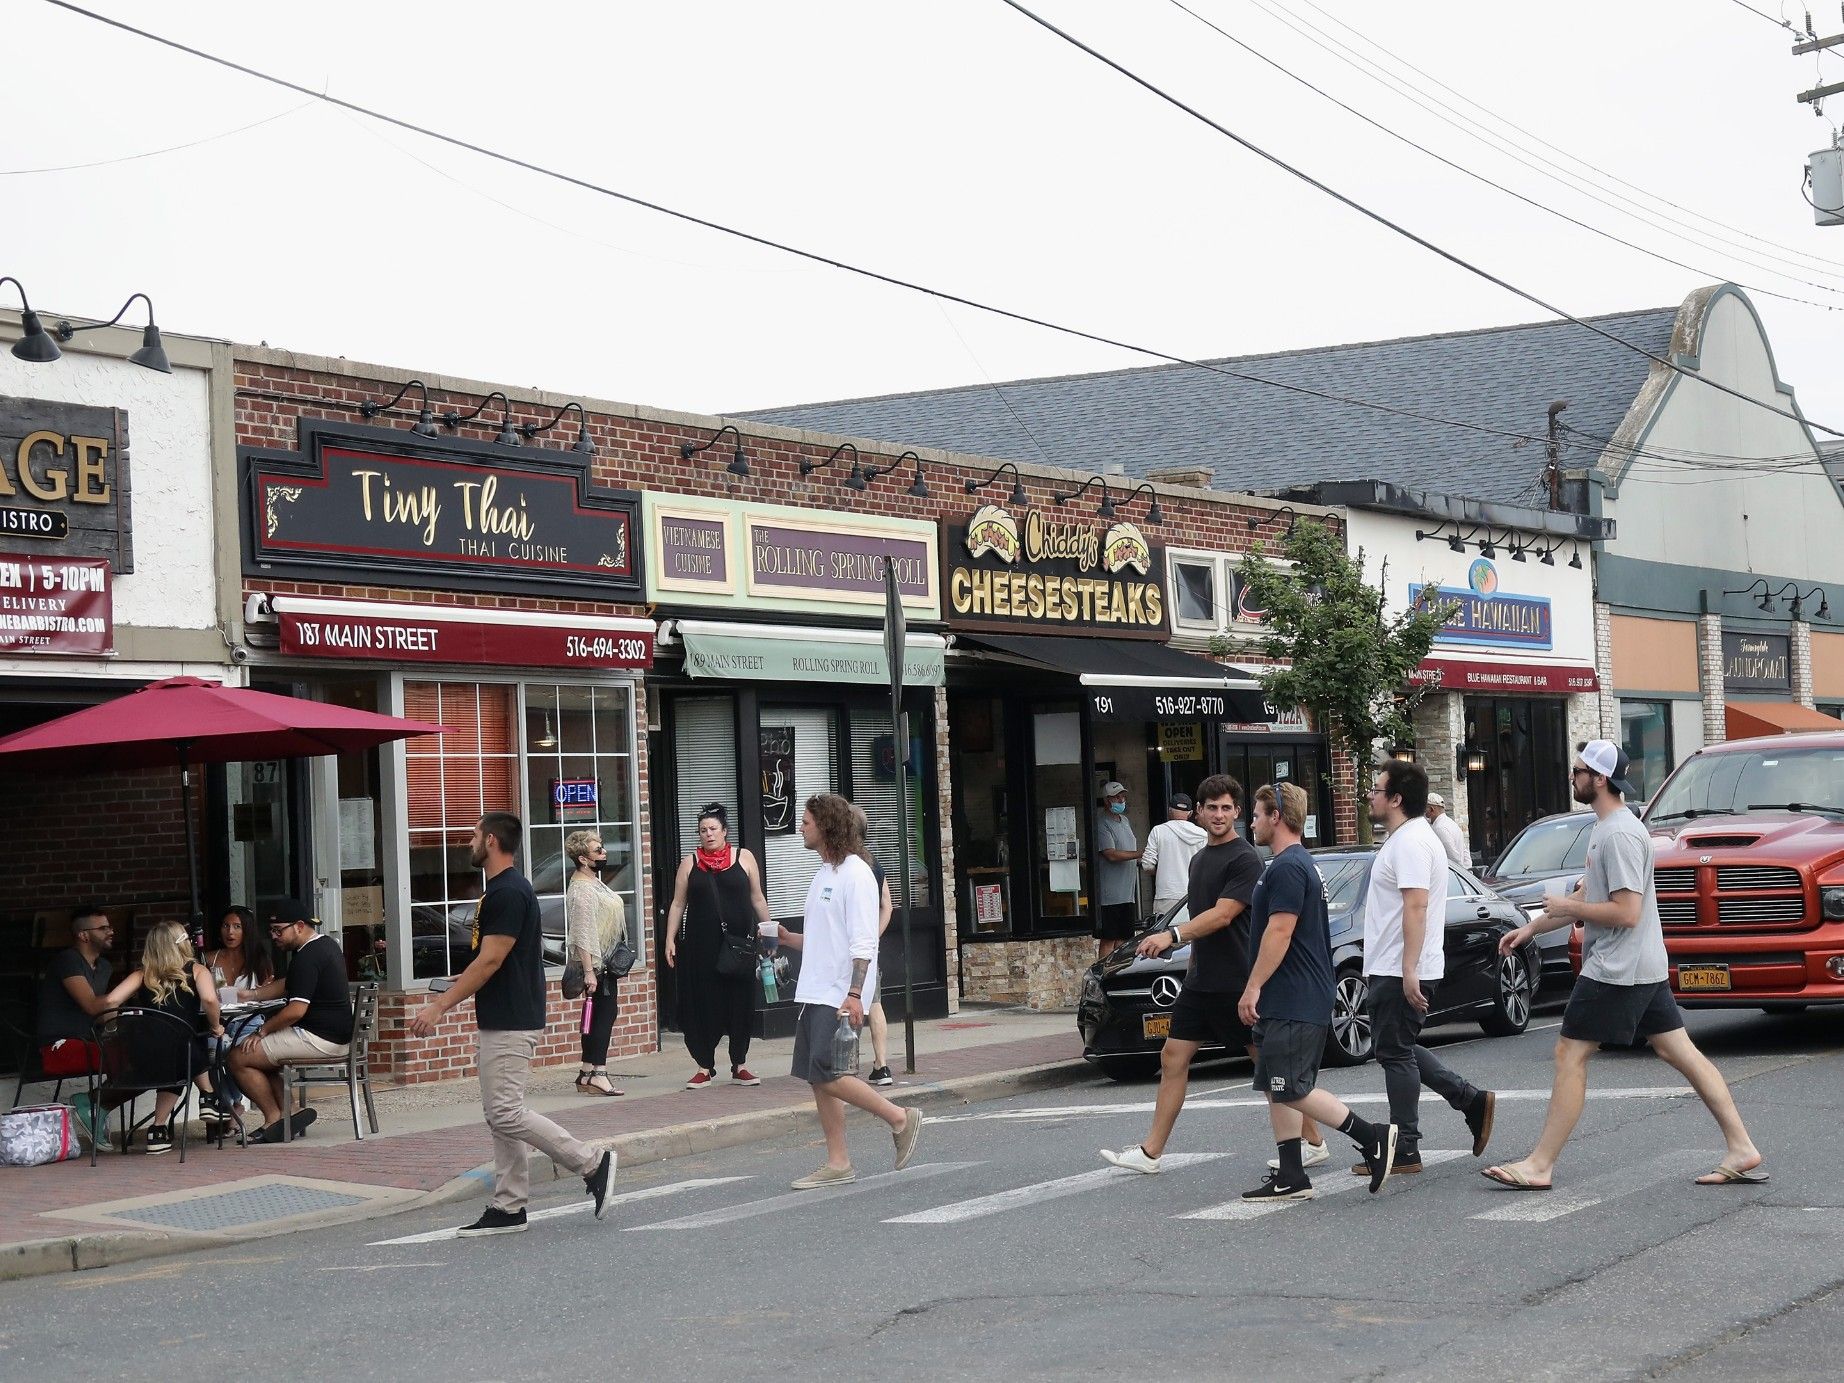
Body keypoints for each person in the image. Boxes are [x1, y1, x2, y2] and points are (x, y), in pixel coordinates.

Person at [1484, 742, 1765, 1190]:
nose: (1572, 777)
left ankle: (1540, 1164)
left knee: (1570, 1053)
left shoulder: (1617, 834)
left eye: (1578, 771)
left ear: (1598, 779)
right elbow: (1592, 899)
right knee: (1680, 1051)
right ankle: (1742, 1146)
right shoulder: (1611, 829)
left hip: (1617, 966)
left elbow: (1625, 911)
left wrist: (1560, 903)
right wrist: (1534, 927)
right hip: (1639, 964)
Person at [1099, 776, 1323, 1173]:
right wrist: (1181, 943)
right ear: (1198, 812)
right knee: (1172, 1056)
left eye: (1227, 808)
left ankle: (1314, 1141)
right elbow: (1204, 915)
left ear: (1237, 813)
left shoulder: (1246, 858)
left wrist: (1173, 934)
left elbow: (1223, 914)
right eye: (1211, 807)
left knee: (1272, 1068)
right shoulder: (1200, 858)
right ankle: (1151, 1152)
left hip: (1237, 980)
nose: (1219, 815)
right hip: (1201, 980)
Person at [410, 814, 614, 1235]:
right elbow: (495, 958)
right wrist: (458, 981)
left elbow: (491, 960)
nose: (467, 843)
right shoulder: (505, 890)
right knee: (499, 1114)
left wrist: (439, 1008)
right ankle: (509, 1206)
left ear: (490, 840)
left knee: (505, 1111)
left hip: (511, 1019)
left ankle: (592, 1162)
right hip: (505, 1014)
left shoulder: (507, 892)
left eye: (472, 836)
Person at [1238, 783, 1399, 1198]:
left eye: (1256, 814)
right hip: (1285, 996)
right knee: (1278, 1084)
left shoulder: (1289, 866)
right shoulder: (1290, 864)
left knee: (1292, 1086)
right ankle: (1292, 1173)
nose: (1251, 822)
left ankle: (1372, 1136)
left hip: (1294, 995)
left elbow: (1281, 929)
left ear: (1276, 817)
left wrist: (1252, 986)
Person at [774, 794, 922, 1188]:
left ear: (827, 826)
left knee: (828, 1071)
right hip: (815, 987)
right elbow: (828, 939)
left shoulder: (856, 873)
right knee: (815, 1074)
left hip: (840, 990)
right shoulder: (825, 871)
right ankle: (838, 1162)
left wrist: (855, 994)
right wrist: (789, 939)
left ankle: (899, 1117)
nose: (801, 826)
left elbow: (862, 941)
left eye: (807, 821)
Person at [1360, 761, 1497, 1178]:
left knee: (1395, 1052)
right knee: (1395, 1046)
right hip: (1394, 964)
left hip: (1400, 967)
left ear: (1396, 798)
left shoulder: (1411, 843)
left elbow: (1416, 905)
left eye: (1377, 788)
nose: (1371, 794)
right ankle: (1469, 1099)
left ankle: (1405, 1148)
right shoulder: (1409, 838)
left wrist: (1408, 968)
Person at [228, 900, 355, 1145]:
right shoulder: (325, 946)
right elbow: (288, 983)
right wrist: (252, 994)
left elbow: (296, 1010)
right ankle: (292, 1111)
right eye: (272, 931)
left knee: (237, 1057)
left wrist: (263, 1031)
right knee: (261, 1059)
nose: (274, 937)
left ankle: (273, 1118)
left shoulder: (308, 956)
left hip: (319, 1039)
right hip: (332, 1036)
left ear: (298, 926)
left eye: (278, 930)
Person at [665, 803, 773, 1089]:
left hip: (739, 944)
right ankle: (704, 1066)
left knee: (740, 1002)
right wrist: (669, 939)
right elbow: (678, 904)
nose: (708, 834)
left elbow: (757, 898)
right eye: (703, 830)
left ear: (725, 832)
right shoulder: (690, 863)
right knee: (704, 1003)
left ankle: (740, 1064)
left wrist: (770, 931)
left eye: (713, 829)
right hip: (702, 947)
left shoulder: (744, 857)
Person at [102, 921, 231, 1153]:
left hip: (143, 1055)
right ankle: (208, 1096)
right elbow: (211, 1001)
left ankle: (158, 1131)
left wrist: (112, 1029)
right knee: (190, 1045)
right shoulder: (196, 970)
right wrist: (216, 1026)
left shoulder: (142, 975)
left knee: (178, 1057)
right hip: (182, 1051)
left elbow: (111, 1001)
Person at [565, 828, 628, 1097]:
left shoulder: (592, 881)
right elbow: (581, 932)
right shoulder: (582, 889)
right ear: (582, 858)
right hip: (597, 965)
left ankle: (586, 1072)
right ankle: (599, 1074)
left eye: (602, 847)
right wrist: (589, 972)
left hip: (603, 961)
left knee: (599, 1016)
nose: (604, 853)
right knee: (603, 1016)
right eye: (597, 850)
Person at [33, 903, 115, 1082]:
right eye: (103, 928)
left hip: (88, 1044)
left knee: (143, 1053)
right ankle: (98, 1102)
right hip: (58, 1047)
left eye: (109, 927)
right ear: (83, 935)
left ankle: (98, 1103)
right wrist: (136, 979)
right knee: (129, 1058)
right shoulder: (68, 960)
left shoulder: (104, 967)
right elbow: (93, 1006)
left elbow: (103, 1012)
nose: (111, 932)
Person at [849, 803, 898, 1088]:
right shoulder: (873, 864)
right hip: (869, 950)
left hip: (855, 951)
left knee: (851, 1004)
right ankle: (881, 1065)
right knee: (874, 1003)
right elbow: (887, 906)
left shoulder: (850, 866)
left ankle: (848, 1067)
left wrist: (867, 940)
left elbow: (887, 906)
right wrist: (874, 938)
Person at [1093, 780, 1142, 960]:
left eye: (1122, 796)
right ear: (1107, 800)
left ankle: (1118, 971)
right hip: (1110, 894)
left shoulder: (1125, 820)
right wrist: (1139, 854)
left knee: (1123, 938)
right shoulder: (1101, 823)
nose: (1121, 800)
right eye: (1116, 797)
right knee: (1109, 938)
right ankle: (1103, 973)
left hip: (1126, 892)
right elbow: (1110, 854)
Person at [1141, 792, 1206, 917]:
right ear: (1190, 813)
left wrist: (1161, 871)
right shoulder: (1202, 834)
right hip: (1194, 895)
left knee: (1165, 934)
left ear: (1169, 811)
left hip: (1166, 895)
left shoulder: (1158, 831)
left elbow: (1147, 865)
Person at [1426, 793, 1470, 869]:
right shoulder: (1452, 823)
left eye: (1425, 809)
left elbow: (1452, 857)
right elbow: (1465, 852)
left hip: (1452, 875)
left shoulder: (1439, 828)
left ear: (1431, 809)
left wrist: (1463, 872)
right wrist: (1467, 870)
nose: (1424, 812)